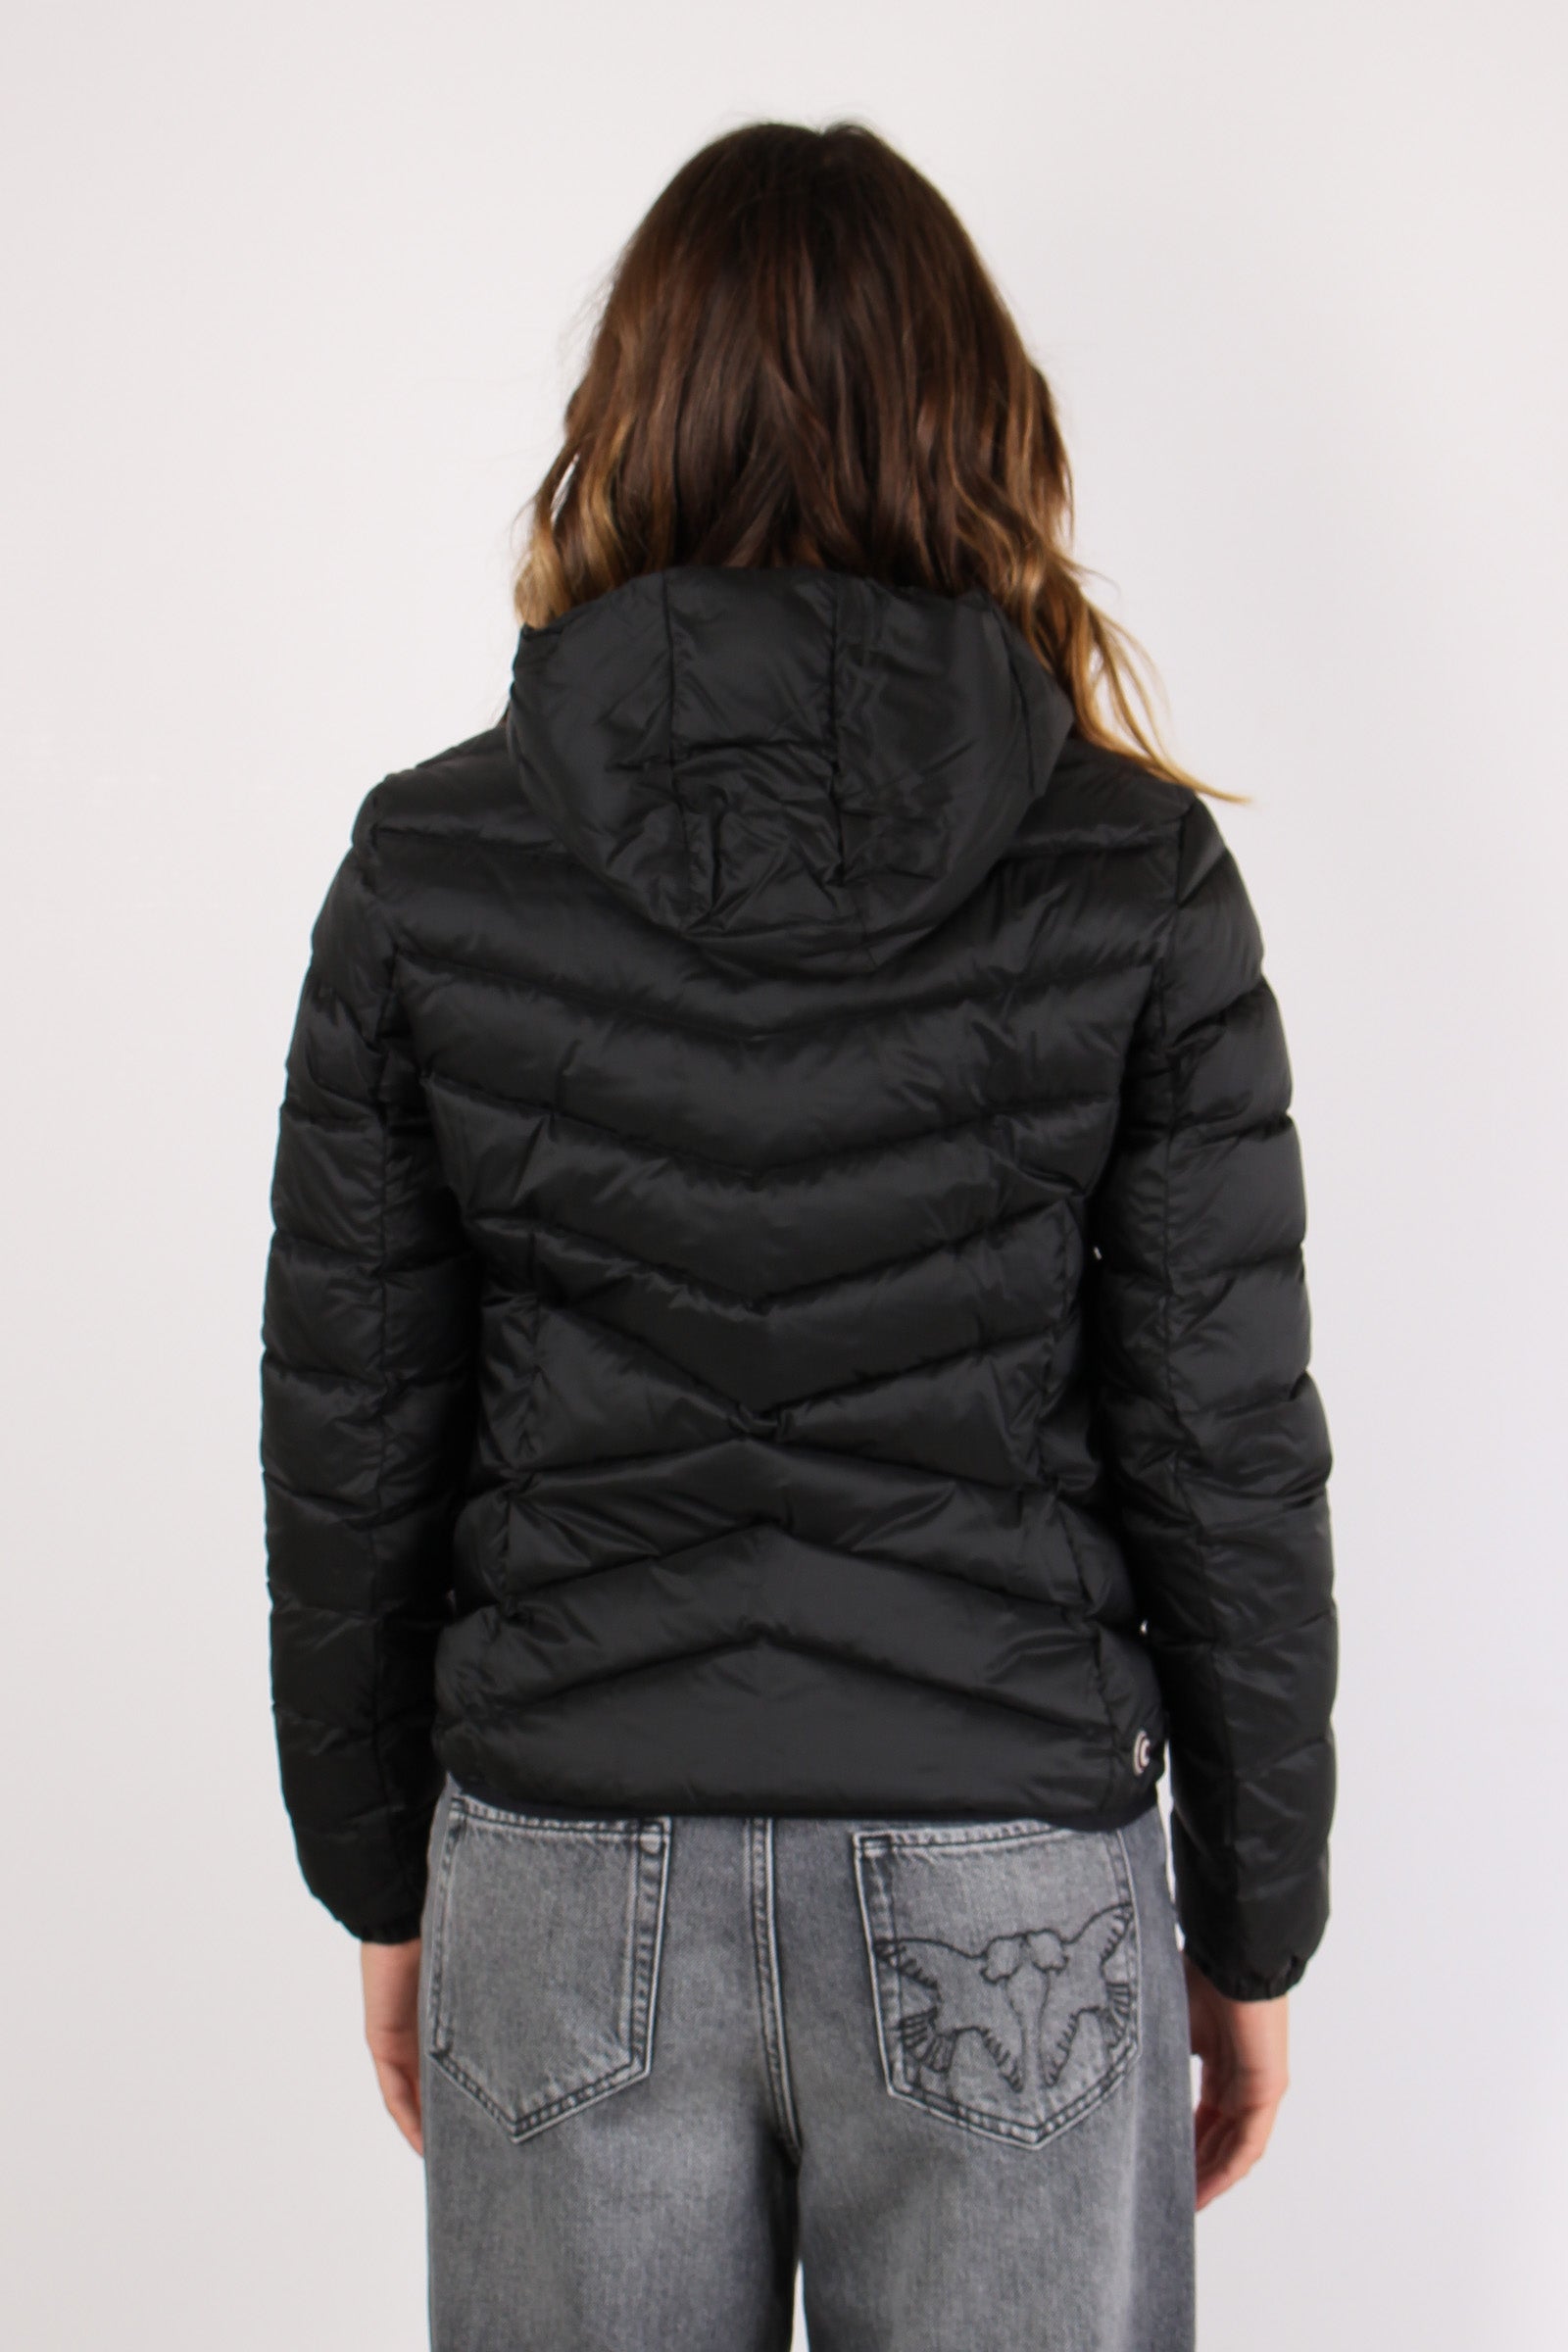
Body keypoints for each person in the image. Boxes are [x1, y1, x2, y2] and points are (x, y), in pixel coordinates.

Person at [259, 118, 1336, 2352]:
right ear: (975, 425)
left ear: (630, 419)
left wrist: (380, 1885)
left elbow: (352, 1436)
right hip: (1006, 1876)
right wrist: (1252, 1927)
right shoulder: (1130, 877)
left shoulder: (430, 869)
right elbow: (1222, 1450)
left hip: (564, 1865)